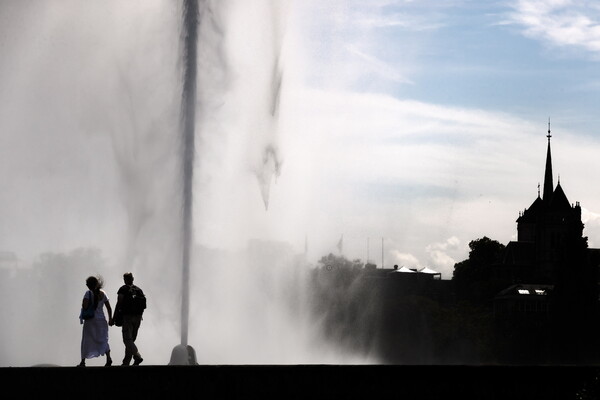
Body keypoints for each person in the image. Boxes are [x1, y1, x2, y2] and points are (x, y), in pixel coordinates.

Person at [78, 275, 113, 367]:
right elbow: (109, 308)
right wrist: (110, 318)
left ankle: (83, 362)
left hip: (90, 321)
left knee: (86, 339)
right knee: (103, 339)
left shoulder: (88, 293)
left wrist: (84, 303)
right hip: (101, 321)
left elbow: (85, 306)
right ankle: (108, 358)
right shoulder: (103, 293)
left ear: (89, 285)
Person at [112, 272, 144, 366]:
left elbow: (119, 303)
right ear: (133, 279)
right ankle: (126, 363)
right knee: (131, 340)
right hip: (138, 318)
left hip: (127, 317)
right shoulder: (139, 290)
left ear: (125, 279)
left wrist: (114, 318)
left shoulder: (123, 289)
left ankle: (137, 356)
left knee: (127, 340)